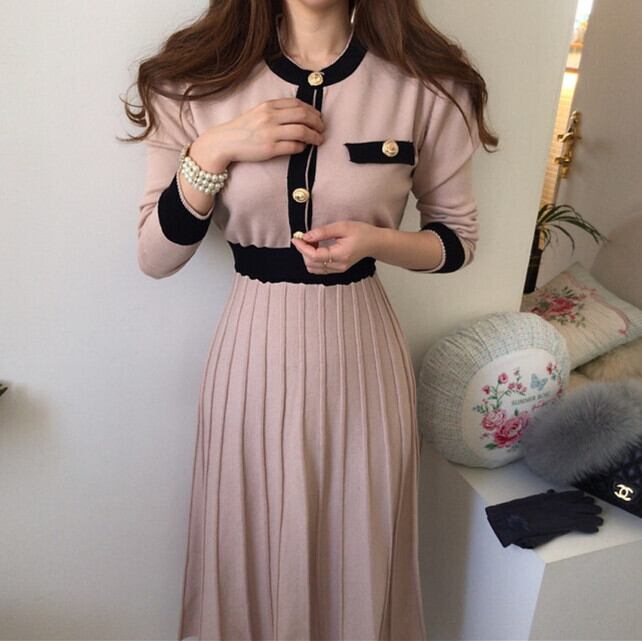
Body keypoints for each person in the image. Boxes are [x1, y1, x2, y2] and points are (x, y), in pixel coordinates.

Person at [123, 0, 498, 639]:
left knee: (358, 546)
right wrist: (213, 150)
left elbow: (456, 239)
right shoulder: (191, 82)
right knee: (245, 538)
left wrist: (377, 242)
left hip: (363, 364)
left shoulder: (429, 84)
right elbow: (156, 257)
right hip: (251, 356)